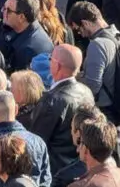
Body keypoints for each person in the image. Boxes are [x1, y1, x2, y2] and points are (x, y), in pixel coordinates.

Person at [27, 44, 95, 175]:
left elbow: (36, 142)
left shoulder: (52, 100)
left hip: (54, 172)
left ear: (57, 66)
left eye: (51, 59)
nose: (49, 62)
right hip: (79, 167)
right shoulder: (86, 92)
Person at [68, 1, 120, 121]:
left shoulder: (97, 45)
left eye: (78, 30)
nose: (80, 35)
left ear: (85, 23)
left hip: (105, 111)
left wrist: (75, 78)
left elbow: (92, 87)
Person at [0, 0, 55, 72]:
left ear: (21, 17)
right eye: (4, 7)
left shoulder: (27, 50)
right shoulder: (33, 28)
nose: (2, 11)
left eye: (8, 10)